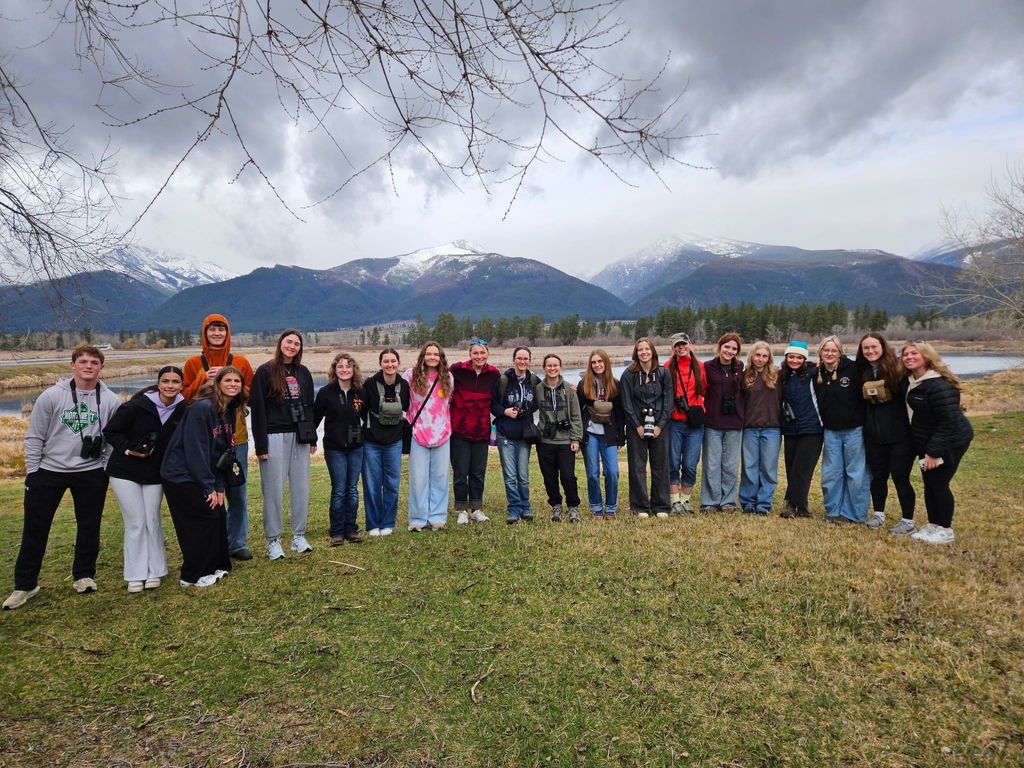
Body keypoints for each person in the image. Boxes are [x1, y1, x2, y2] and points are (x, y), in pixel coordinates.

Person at [3, 344, 121, 610]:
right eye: (83, 361)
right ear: (73, 365)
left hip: (90, 473)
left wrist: (103, 467)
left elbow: (112, 440)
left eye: (94, 362)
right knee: (35, 528)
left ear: (101, 367)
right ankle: (25, 585)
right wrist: (33, 472)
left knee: (89, 526)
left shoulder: (111, 400)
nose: (88, 366)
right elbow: (34, 437)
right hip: (49, 471)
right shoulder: (51, 396)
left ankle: (84, 575)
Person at [161, 367, 248, 587]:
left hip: (206, 474)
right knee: (201, 522)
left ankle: (217, 565)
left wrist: (219, 485)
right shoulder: (202, 408)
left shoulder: (229, 410)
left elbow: (222, 452)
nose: (233, 384)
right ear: (217, 383)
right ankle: (193, 575)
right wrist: (208, 487)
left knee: (217, 515)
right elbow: (196, 451)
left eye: (237, 381)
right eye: (227, 380)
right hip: (182, 475)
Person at [102, 366, 186, 592]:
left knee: (152, 519)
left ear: (181, 385)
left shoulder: (183, 410)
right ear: (158, 383)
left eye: (175, 382)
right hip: (125, 471)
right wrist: (129, 450)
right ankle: (135, 574)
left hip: (155, 473)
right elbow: (111, 432)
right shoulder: (135, 406)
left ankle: (156, 570)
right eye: (166, 381)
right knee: (135, 521)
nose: (170, 385)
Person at [181, 314, 255, 560]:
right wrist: (205, 378)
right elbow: (184, 398)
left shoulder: (241, 362)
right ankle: (214, 541)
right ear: (204, 333)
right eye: (212, 330)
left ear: (228, 333)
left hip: (237, 438)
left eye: (221, 330)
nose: (216, 334)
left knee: (238, 493)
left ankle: (236, 543)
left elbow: (253, 396)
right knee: (210, 492)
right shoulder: (193, 363)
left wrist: (230, 382)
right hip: (207, 439)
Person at [250, 329, 317, 559]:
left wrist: (312, 438)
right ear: (280, 344)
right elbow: (257, 410)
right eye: (289, 342)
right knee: (273, 490)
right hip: (273, 436)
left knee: (300, 488)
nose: (292, 346)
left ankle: (298, 536)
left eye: (297, 344)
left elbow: (309, 406)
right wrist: (261, 446)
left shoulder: (303, 372)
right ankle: (273, 540)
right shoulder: (265, 371)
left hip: (298, 436)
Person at [901, 341, 974, 544]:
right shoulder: (911, 381)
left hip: (951, 441)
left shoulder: (938, 384)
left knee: (939, 483)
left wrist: (933, 452)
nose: (909, 357)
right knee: (929, 483)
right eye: (905, 354)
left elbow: (948, 422)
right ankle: (933, 525)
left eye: (914, 353)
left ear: (927, 356)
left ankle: (945, 529)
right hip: (928, 440)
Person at [856, 333, 916, 534]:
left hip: (899, 436)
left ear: (883, 347)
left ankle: (907, 520)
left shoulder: (898, 369)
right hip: (873, 435)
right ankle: (879, 515)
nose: (870, 351)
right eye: (866, 348)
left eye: (874, 347)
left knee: (900, 477)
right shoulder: (861, 371)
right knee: (878, 477)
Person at [814, 335, 869, 525]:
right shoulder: (816, 372)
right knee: (831, 474)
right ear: (820, 352)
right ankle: (833, 510)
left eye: (834, 350)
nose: (830, 353)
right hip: (830, 431)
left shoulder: (853, 369)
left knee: (855, 474)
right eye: (826, 350)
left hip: (854, 430)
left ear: (840, 352)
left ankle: (854, 514)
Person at [313, 353, 366, 546]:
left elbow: (368, 418)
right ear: (334, 370)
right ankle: (336, 531)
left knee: (352, 489)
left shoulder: (360, 392)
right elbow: (315, 419)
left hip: (356, 447)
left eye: (348, 366)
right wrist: (310, 441)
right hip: (334, 448)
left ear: (354, 370)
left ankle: (351, 529)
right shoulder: (325, 392)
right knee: (339, 489)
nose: (344, 369)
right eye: (340, 366)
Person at [619, 338, 672, 518]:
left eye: (646, 349)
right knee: (637, 467)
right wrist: (637, 426)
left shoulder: (664, 373)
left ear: (652, 351)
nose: (644, 352)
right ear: (636, 353)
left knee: (660, 466)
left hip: (660, 426)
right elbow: (626, 403)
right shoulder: (629, 374)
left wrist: (660, 425)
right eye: (640, 349)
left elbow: (668, 402)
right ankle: (640, 506)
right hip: (636, 427)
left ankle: (661, 505)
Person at [404, 342, 454, 531]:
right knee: (418, 478)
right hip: (418, 432)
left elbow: (447, 403)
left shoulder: (447, 377)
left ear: (441, 357)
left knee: (440, 477)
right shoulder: (410, 375)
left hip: (442, 432)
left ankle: (437, 518)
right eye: (428, 354)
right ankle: (417, 519)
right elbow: (404, 401)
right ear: (422, 356)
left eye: (436, 354)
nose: (432, 357)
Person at [450, 340, 501, 524]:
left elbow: (499, 396)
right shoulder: (457, 370)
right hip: (459, 430)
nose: (479, 356)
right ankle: (462, 510)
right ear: (470, 354)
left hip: (481, 431)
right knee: (460, 472)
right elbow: (438, 375)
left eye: (482, 353)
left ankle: (476, 509)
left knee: (478, 472)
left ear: (487, 354)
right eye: (475, 353)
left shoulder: (494, 374)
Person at [362, 348, 410, 536]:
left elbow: (407, 409)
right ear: (380, 363)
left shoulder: (404, 385)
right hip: (371, 441)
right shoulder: (369, 384)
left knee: (392, 483)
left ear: (398, 363)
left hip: (394, 441)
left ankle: (388, 523)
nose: (390, 365)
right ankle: (373, 524)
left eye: (393, 361)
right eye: (386, 361)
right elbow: (361, 409)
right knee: (372, 483)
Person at [491, 346, 540, 524]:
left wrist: (571, 388)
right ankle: (513, 508)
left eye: (525, 358)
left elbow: (548, 392)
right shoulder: (503, 380)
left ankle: (525, 507)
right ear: (514, 360)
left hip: (525, 435)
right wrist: (505, 411)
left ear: (529, 360)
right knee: (510, 475)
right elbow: (493, 405)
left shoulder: (534, 380)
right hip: (505, 434)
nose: (522, 361)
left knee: (524, 475)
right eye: (519, 358)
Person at [535, 354, 583, 522]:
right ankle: (556, 506)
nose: (552, 368)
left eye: (555, 365)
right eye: (549, 365)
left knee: (568, 476)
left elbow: (576, 416)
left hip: (565, 441)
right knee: (549, 476)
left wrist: (576, 439)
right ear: (544, 368)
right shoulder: (538, 389)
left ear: (560, 367)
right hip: (545, 441)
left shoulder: (569, 389)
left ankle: (573, 507)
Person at [778, 341, 823, 519]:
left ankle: (797, 505)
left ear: (804, 358)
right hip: (790, 427)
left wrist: (817, 364)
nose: (795, 360)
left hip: (812, 427)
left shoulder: (813, 373)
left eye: (799, 357)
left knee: (803, 468)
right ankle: (796, 504)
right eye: (791, 357)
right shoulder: (782, 376)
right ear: (786, 357)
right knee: (791, 467)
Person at [578, 349, 625, 518]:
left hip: (609, 434)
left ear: (606, 363)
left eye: (600, 361)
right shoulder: (584, 384)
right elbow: (578, 411)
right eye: (594, 362)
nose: (597, 365)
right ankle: (596, 506)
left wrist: (621, 436)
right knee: (592, 473)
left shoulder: (615, 385)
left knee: (612, 471)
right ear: (590, 365)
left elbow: (620, 414)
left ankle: (611, 506)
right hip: (590, 434)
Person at [701, 333, 745, 513]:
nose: (730, 351)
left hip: (735, 422)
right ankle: (709, 502)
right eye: (727, 347)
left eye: (734, 348)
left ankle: (728, 502)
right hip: (713, 422)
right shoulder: (707, 367)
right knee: (711, 464)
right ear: (720, 347)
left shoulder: (740, 367)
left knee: (730, 465)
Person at [664, 332, 705, 514]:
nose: (681, 348)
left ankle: (686, 500)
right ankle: (675, 502)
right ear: (673, 348)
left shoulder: (700, 366)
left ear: (690, 344)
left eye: (683, 344)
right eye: (677, 345)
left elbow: (705, 390)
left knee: (690, 463)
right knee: (673, 463)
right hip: (674, 422)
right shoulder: (667, 367)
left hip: (695, 423)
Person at [738, 342, 781, 516]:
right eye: (758, 355)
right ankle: (748, 502)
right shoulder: (744, 377)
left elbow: (798, 369)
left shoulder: (777, 376)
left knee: (769, 468)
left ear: (769, 358)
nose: (760, 359)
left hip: (772, 428)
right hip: (750, 428)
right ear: (752, 356)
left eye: (764, 356)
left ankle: (763, 503)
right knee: (749, 467)